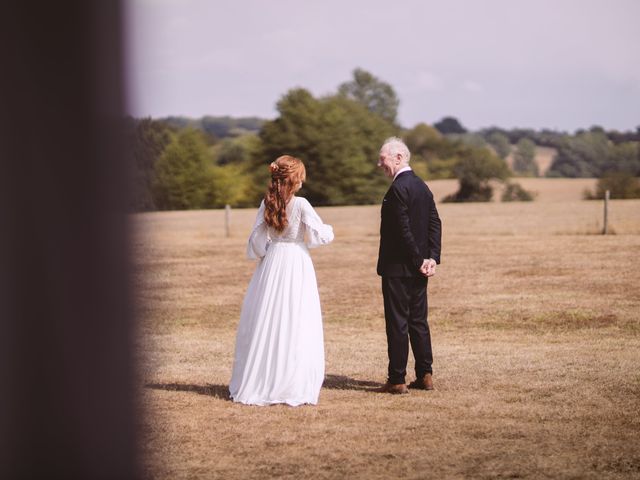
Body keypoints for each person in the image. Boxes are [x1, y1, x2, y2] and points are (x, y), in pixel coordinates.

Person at [229, 155, 334, 406]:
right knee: (296, 319)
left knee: (268, 317)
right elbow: (320, 235)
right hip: (296, 261)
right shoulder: (301, 204)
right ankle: (291, 381)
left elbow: (256, 240)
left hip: (273, 261)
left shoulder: (267, 203)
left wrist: (268, 254)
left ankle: (264, 377)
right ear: (296, 179)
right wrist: (330, 230)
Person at [376, 137, 442, 394]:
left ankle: (397, 379)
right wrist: (431, 258)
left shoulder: (397, 189)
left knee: (398, 323)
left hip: (398, 268)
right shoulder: (422, 186)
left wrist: (420, 260)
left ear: (399, 158)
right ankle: (425, 375)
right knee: (418, 321)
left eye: (383, 159)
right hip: (419, 268)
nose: (380, 164)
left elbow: (402, 231)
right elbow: (435, 222)